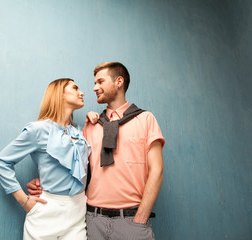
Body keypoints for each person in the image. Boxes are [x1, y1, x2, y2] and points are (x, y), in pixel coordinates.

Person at [28, 62, 165, 240]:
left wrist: (140, 218)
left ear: (119, 82)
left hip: (132, 221)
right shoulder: (90, 126)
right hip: (92, 221)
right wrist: (43, 183)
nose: (94, 88)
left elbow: (157, 171)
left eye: (100, 82)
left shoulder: (146, 119)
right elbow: (74, 168)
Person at [0, 78, 91, 240]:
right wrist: (24, 201)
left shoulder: (79, 133)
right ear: (59, 95)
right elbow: (2, 161)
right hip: (47, 211)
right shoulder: (38, 130)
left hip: (79, 212)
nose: (81, 92)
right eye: (75, 88)